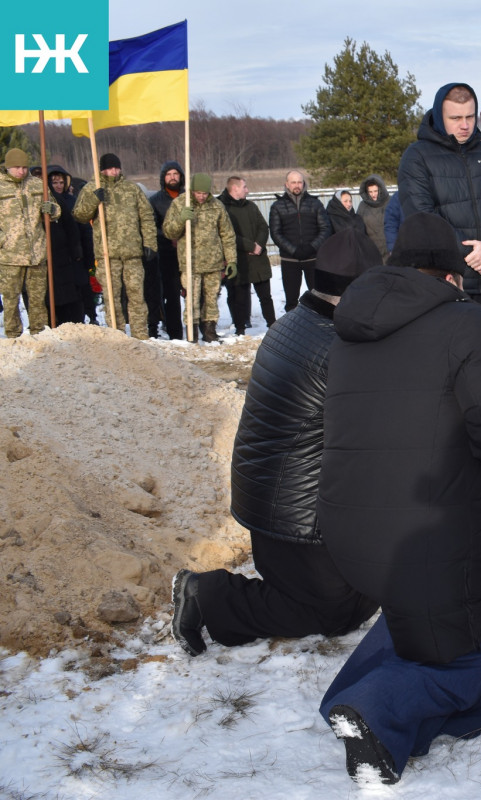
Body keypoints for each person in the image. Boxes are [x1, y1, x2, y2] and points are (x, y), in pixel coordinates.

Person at [316, 212, 481, 784]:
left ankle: (364, 697)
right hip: (422, 533)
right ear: (452, 273)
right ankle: (373, 710)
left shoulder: (349, 326)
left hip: (346, 528)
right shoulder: (465, 323)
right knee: (471, 648)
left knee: (426, 617)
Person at [170, 229, 381, 657]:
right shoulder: (340, 347)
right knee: (334, 614)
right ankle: (203, 592)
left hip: (274, 499)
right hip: (295, 518)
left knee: (361, 600)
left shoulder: (296, 322)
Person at [397, 82, 481, 316]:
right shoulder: (417, 157)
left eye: (470, 116)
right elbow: (422, 217)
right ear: (439, 115)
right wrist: (472, 254)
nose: (465, 125)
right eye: (455, 118)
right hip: (447, 282)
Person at [73, 152, 157, 339]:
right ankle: (116, 335)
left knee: (136, 296)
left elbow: (147, 216)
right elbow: (79, 215)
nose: (114, 171)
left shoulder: (132, 189)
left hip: (132, 253)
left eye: (117, 167)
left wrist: (150, 242)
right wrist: (94, 200)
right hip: (107, 254)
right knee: (112, 297)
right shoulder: (92, 188)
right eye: (110, 168)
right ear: (102, 169)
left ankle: (140, 334)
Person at [162, 173, 237, 343]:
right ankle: (192, 334)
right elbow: (168, 231)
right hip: (190, 262)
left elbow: (227, 234)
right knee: (192, 301)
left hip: (213, 262)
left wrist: (231, 259)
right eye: (198, 193)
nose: (202, 197)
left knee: (211, 299)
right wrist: (181, 219)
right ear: (192, 191)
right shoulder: (180, 203)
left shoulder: (217, 206)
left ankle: (210, 332)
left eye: (205, 193)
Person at [1, 148, 59, 338]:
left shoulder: (38, 185)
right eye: (17, 167)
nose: (22, 171)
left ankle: (39, 334)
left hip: (36, 253)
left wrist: (51, 209)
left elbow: (56, 210)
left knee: (37, 299)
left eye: (25, 167)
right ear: (8, 167)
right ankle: (13, 336)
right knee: (11, 300)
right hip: (9, 256)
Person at [218, 176, 277, 335]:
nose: (247, 190)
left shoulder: (251, 206)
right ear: (235, 188)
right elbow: (228, 233)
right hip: (238, 259)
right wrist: (250, 246)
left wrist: (259, 245)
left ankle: (273, 325)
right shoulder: (222, 207)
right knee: (239, 297)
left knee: (265, 296)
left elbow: (263, 227)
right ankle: (240, 329)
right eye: (244, 187)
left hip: (257, 259)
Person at [269, 170, 331, 312]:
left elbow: (325, 228)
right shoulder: (277, 206)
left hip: (313, 259)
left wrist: (311, 247)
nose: (297, 185)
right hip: (290, 260)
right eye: (293, 182)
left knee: (319, 298)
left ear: (303, 183)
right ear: (287, 184)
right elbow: (276, 233)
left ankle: (321, 327)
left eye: (299, 182)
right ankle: (293, 330)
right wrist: (294, 250)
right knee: (291, 300)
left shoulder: (315, 203)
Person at [44, 164, 86, 326]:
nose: (59, 186)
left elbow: (76, 229)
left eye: (61, 182)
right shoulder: (46, 200)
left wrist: (78, 250)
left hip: (69, 256)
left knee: (74, 295)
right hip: (50, 256)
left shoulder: (71, 201)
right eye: (54, 182)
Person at [147, 161, 186, 339]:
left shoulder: (188, 198)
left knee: (186, 292)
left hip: (187, 253)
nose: (172, 177)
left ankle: (186, 330)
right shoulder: (155, 201)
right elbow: (151, 227)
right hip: (165, 254)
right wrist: (169, 236)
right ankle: (166, 330)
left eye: (175, 174)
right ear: (163, 178)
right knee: (166, 294)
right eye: (169, 174)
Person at [357, 175, 389, 258]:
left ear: (381, 189)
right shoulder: (362, 206)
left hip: (389, 249)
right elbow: (358, 227)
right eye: (370, 192)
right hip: (371, 250)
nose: (373, 194)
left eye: (375, 191)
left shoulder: (390, 202)